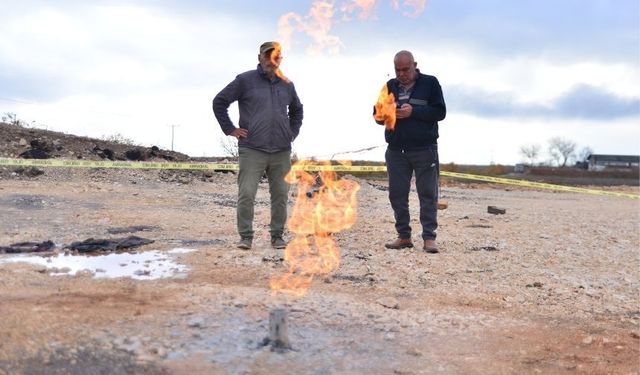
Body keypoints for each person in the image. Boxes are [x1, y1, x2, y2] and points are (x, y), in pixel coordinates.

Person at [213, 41, 303, 250]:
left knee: (281, 195)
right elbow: (219, 102)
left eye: (276, 57)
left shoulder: (288, 84)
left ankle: (277, 236)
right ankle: (245, 237)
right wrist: (230, 129)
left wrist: (292, 132)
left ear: (280, 59)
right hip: (252, 148)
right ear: (260, 58)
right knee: (246, 194)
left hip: (281, 150)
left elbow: (297, 110)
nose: (272, 61)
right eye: (267, 56)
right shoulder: (245, 80)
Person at [373, 50, 446, 253]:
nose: (402, 73)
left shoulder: (430, 83)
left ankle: (429, 238)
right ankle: (403, 236)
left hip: (425, 149)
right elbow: (376, 115)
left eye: (406, 69)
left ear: (414, 65)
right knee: (397, 195)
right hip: (396, 150)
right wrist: (389, 113)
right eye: (398, 70)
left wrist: (413, 112)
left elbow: (440, 112)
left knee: (428, 194)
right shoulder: (389, 87)